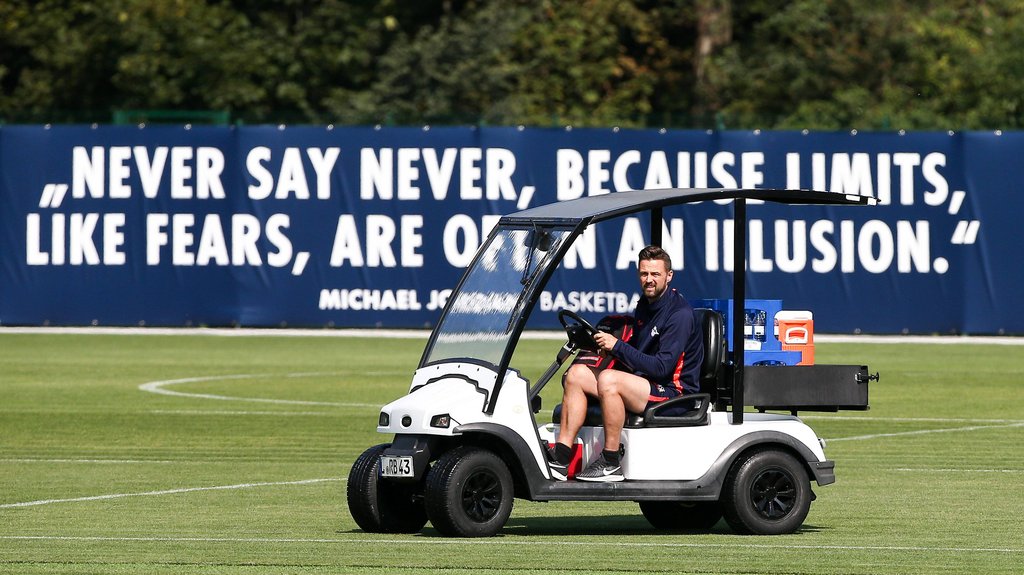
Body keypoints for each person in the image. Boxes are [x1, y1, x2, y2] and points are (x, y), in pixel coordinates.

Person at [548, 245, 704, 482]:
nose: (649, 280)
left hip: (674, 394)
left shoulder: (679, 315)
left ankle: (611, 461)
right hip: (646, 384)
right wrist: (609, 349)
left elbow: (662, 368)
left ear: (669, 276)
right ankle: (561, 457)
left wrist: (617, 347)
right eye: (644, 274)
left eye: (655, 274)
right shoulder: (645, 305)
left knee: (609, 380)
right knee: (577, 373)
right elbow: (639, 355)